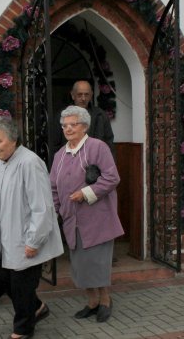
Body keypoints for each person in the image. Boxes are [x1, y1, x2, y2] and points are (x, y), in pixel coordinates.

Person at [0, 117, 64, 339]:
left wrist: (33, 241)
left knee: (21, 287)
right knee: (3, 279)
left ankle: (23, 330)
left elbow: (42, 208)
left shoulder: (30, 162)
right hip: (3, 238)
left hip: (25, 239)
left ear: (13, 139)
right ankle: (36, 307)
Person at [49, 105, 123, 323]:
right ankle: (91, 302)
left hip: (97, 218)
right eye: (64, 125)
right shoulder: (60, 155)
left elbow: (112, 178)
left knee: (97, 263)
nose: (68, 129)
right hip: (72, 220)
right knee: (80, 265)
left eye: (73, 125)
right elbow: (53, 187)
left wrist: (85, 192)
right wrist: (54, 213)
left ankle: (105, 301)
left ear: (84, 126)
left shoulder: (97, 147)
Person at [70, 80, 114, 153]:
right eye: (80, 95)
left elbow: (109, 144)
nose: (83, 98)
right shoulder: (63, 116)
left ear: (91, 95)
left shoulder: (100, 115)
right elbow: (56, 146)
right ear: (72, 95)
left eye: (86, 94)